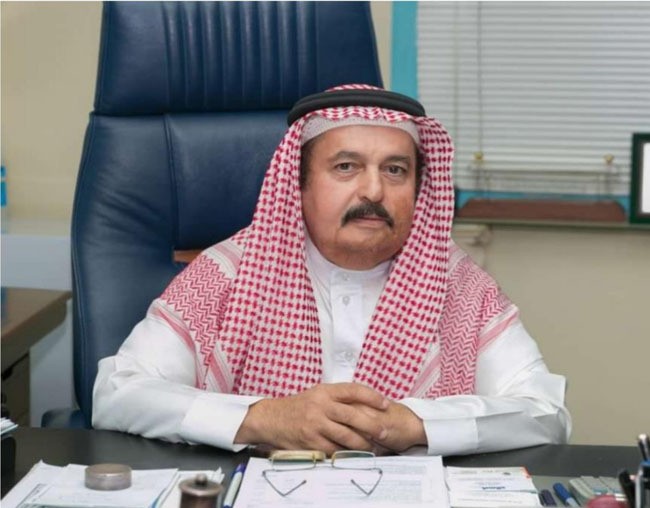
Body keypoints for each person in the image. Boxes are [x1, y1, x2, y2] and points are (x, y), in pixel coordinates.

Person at [93, 84, 571, 456]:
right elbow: (118, 393)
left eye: (395, 170)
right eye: (346, 167)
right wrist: (264, 418)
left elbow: (546, 413)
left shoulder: (460, 287)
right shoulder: (227, 275)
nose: (374, 191)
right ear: (298, 185)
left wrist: (418, 424)